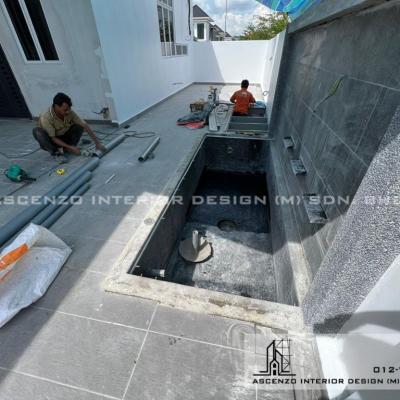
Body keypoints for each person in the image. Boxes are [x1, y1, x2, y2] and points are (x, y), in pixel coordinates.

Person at [33, 93, 106, 163]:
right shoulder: (46, 117)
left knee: (79, 126)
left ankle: (68, 148)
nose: (68, 111)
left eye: (69, 108)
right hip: (52, 141)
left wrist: (97, 143)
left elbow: (84, 125)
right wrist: (70, 147)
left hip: (64, 137)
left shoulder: (69, 111)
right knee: (37, 131)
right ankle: (56, 153)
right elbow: (53, 138)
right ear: (56, 106)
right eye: (65, 110)